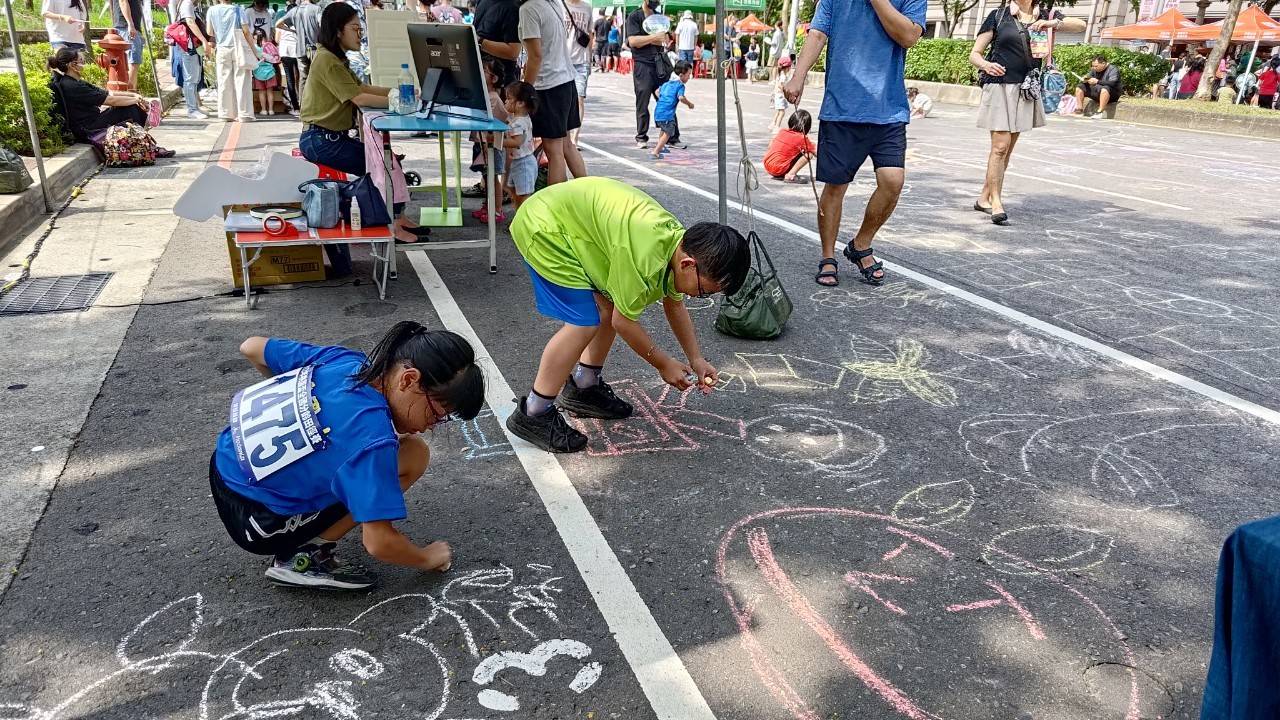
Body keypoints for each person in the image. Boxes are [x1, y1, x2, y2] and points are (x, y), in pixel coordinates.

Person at [209, 323, 484, 590]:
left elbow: (252, 347)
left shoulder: (348, 362)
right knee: (413, 458)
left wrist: (297, 410)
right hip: (258, 522)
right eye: (436, 414)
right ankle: (303, 558)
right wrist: (428, 557)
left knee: (411, 450)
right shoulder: (372, 441)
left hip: (224, 462)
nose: (431, 425)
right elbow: (379, 543)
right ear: (409, 379)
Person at [504, 177, 751, 453]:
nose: (700, 297)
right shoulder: (644, 258)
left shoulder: (677, 248)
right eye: (705, 291)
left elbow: (674, 304)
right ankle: (534, 412)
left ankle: (585, 387)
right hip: (546, 227)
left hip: (571, 225)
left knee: (607, 306)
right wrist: (663, 363)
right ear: (688, 264)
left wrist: (696, 358)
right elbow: (623, 322)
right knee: (583, 323)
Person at [784, 0, 924, 287]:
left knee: (892, 181)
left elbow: (909, 37)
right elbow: (818, 34)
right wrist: (797, 76)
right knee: (835, 186)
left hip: (889, 109)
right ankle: (827, 256)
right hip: (842, 107)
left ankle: (861, 244)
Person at [299, 1, 431, 247]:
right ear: (338, 30)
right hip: (321, 141)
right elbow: (358, 97)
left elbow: (362, 88)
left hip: (326, 138)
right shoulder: (327, 60)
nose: (360, 34)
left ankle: (397, 219)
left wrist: (403, 92)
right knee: (383, 166)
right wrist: (400, 102)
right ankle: (391, 225)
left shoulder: (335, 59)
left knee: (388, 161)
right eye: (355, 28)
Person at [967, 0, 1079, 226]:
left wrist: (1049, 23)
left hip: (1026, 89)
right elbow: (975, 54)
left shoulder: (1046, 14)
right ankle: (996, 202)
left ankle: (983, 197)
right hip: (999, 86)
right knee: (999, 147)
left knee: (1006, 151)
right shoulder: (999, 16)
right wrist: (986, 65)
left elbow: (1079, 26)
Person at [46, 48, 177, 157]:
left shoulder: (75, 82)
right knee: (130, 108)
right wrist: (135, 100)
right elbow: (110, 100)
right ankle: (147, 146)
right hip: (86, 128)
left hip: (92, 120)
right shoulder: (72, 86)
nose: (84, 64)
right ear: (72, 65)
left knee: (131, 105)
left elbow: (109, 93)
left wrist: (135, 95)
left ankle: (144, 140)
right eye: (82, 61)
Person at [519, 0, 588, 185]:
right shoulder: (553, 3)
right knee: (567, 145)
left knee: (554, 151)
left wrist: (525, 90)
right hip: (566, 81)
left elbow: (535, 56)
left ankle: (556, 207)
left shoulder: (529, 9)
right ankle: (588, 193)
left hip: (548, 85)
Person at [627, 0, 671, 149]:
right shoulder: (634, 16)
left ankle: (670, 135)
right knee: (643, 100)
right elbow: (633, 41)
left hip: (659, 63)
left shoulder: (660, 17)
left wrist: (652, 40)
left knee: (666, 99)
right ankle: (641, 136)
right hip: (642, 64)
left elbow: (664, 40)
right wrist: (653, 38)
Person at [207, 0, 256, 122]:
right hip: (238, 47)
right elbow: (246, 31)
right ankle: (244, 114)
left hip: (222, 48)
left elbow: (209, 32)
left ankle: (225, 113)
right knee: (242, 80)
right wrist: (254, 50)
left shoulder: (211, 10)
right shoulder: (238, 10)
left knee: (224, 81)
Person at [503, 81, 538, 209]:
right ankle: (518, 218)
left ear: (520, 103)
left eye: (509, 98)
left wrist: (497, 141)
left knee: (523, 196)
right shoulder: (520, 118)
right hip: (519, 161)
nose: (505, 101)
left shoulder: (518, 123)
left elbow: (517, 142)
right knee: (514, 192)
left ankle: (525, 222)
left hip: (523, 163)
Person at [173, 0, 211, 119]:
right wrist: (204, 41)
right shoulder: (187, 4)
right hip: (188, 46)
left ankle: (194, 107)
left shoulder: (188, 4)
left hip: (193, 46)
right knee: (190, 78)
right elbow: (190, 22)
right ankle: (192, 109)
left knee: (195, 77)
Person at [564, 0, 594, 147]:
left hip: (581, 61)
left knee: (579, 99)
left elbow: (590, 34)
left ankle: (574, 138)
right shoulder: (559, 4)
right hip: (562, 60)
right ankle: (566, 135)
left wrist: (589, 57)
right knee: (566, 99)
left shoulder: (587, 8)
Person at [651, 61, 693, 159]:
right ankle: (656, 151)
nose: (689, 77)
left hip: (658, 112)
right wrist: (689, 104)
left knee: (663, 129)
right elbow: (681, 98)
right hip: (667, 114)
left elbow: (657, 91)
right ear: (681, 75)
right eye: (688, 75)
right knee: (668, 132)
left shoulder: (666, 84)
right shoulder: (680, 86)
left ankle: (661, 147)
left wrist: (663, 99)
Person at [278, 0, 321, 95]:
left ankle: (302, 106)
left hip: (300, 50)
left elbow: (278, 24)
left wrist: (292, 31)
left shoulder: (294, 11)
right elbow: (321, 24)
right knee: (318, 78)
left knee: (303, 79)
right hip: (314, 48)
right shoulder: (316, 9)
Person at [763, 109, 816, 183]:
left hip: (767, 166)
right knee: (809, 154)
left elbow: (771, 145)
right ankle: (790, 175)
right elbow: (815, 152)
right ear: (807, 127)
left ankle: (781, 167)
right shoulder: (802, 138)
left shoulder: (782, 132)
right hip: (779, 169)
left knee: (776, 143)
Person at [109, 0, 145, 90]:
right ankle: (129, 92)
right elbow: (122, 1)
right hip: (125, 26)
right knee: (133, 61)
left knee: (134, 62)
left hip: (133, 27)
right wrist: (130, 24)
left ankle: (132, 92)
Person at [275, 6, 303, 115]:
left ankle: (295, 108)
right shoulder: (298, 22)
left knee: (290, 79)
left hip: (285, 52)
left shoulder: (280, 22)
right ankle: (303, 104)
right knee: (300, 79)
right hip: (297, 51)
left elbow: (277, 40)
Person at [252, 29, 280, 116]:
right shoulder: (269, 45)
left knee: (261, 92)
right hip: (270, 72)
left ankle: (263, 110)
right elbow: (276, 57)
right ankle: (271, 110)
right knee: (270, 92)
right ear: (264, 36)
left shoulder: (253, 47)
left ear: (254, 37)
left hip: (258, 72)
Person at [770, 55, 792, 131]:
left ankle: (773, 123)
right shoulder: (783, 76)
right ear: (787, 67)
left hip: (777, 95)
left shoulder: (780, 73)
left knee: (778, 111)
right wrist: (785, 91)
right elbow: (780, 85)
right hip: (780, 96)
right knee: (782, 112)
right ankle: (777, 126)